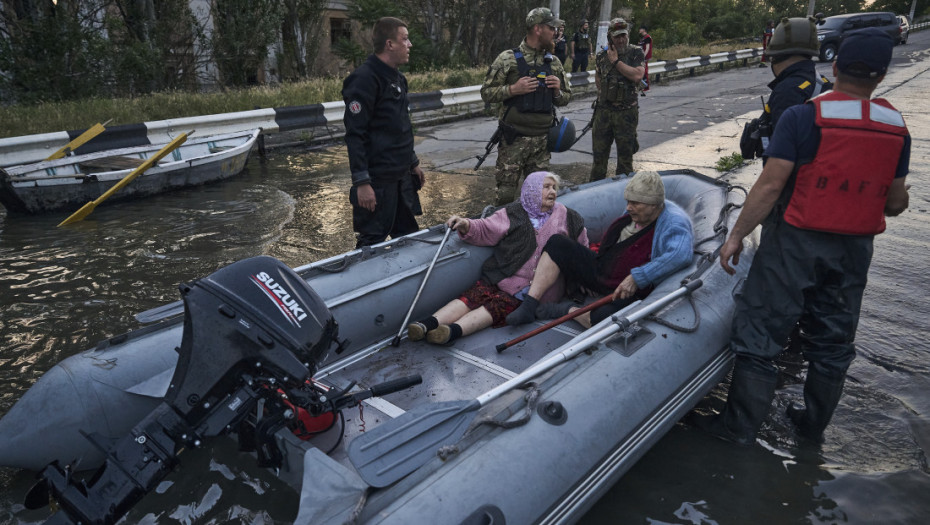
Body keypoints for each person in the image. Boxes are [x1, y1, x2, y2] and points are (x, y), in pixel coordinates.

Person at [700, 29, 911, 446]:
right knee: (833, 342)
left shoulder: (804, 116)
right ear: (882, 75)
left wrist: (736, 236)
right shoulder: (896, 127)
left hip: (795, 240)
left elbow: (770, 185)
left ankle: (738, 429)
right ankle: (811, 430)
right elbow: (895, 203)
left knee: (760, 333)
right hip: (853, 251)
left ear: (834, 67)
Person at [407, 172, 588, 345]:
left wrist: (583, 283)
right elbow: (486, 228)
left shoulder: (569, 217)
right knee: (473, 295)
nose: (553, 192)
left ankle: (452, 331)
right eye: (546, 187)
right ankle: (427, 324)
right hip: (503, 276)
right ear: (532, 190)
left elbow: (581, 250)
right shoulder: (513, 212)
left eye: (554, 187)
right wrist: (465, 224)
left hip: (538, 290)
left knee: (498, 305)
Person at [505, 171, 694, 328]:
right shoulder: (635, 213)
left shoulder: (673, 222)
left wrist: (638, 278)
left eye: (635, 203)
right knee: (558, 242)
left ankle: (565, 309)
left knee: (602, 320)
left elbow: (680, 254)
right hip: (604, 269)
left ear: (654, 204)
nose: (628, 208)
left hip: (630, 289)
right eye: (628, 201)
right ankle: (529, 306)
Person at [342, 17, 426, 248]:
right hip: (377, 181)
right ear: (390, 44)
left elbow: (399, 126)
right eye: (405, 39)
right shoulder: (364, 79)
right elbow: (355, 135)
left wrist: (412, 162)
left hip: (401, 177)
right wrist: (362, 182)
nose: (409, 45)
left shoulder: (398, 79)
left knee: (408, 235)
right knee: (372, 240)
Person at [480, 7, 572, 205]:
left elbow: (565, 99)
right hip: (513, 141)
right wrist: (513, 89)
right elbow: (486, 92)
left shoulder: (554, 62)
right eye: (551, 28)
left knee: (539, 198)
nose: (555, 33)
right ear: (538, 29)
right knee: (505, 197)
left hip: (541, 142)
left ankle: (535, 234)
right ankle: (504, 233)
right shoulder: (508, 59)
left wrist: (557, 91)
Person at [589, 18, 645, 182]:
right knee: (599, 160)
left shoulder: (636, 52)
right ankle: (595, 196)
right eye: (617, 36)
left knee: (625, 161)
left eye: (623, 35)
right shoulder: (601, 56)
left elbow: (637, 75)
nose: (621, 40)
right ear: (610, 37)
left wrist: (616, 62)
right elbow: (598, 79)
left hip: (626, 113)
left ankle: (625, 197)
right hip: (604, 113)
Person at [638, 25, 653, 93]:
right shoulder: (643, 38)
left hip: (645, 57)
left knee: (645, 71)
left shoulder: (647, 38)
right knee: (642, 71)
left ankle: (646, 87)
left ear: (644, 30)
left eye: (640, 29)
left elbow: (647, 48)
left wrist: (644, 56)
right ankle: (643, 86)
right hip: (642, 56)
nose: (639, 30)